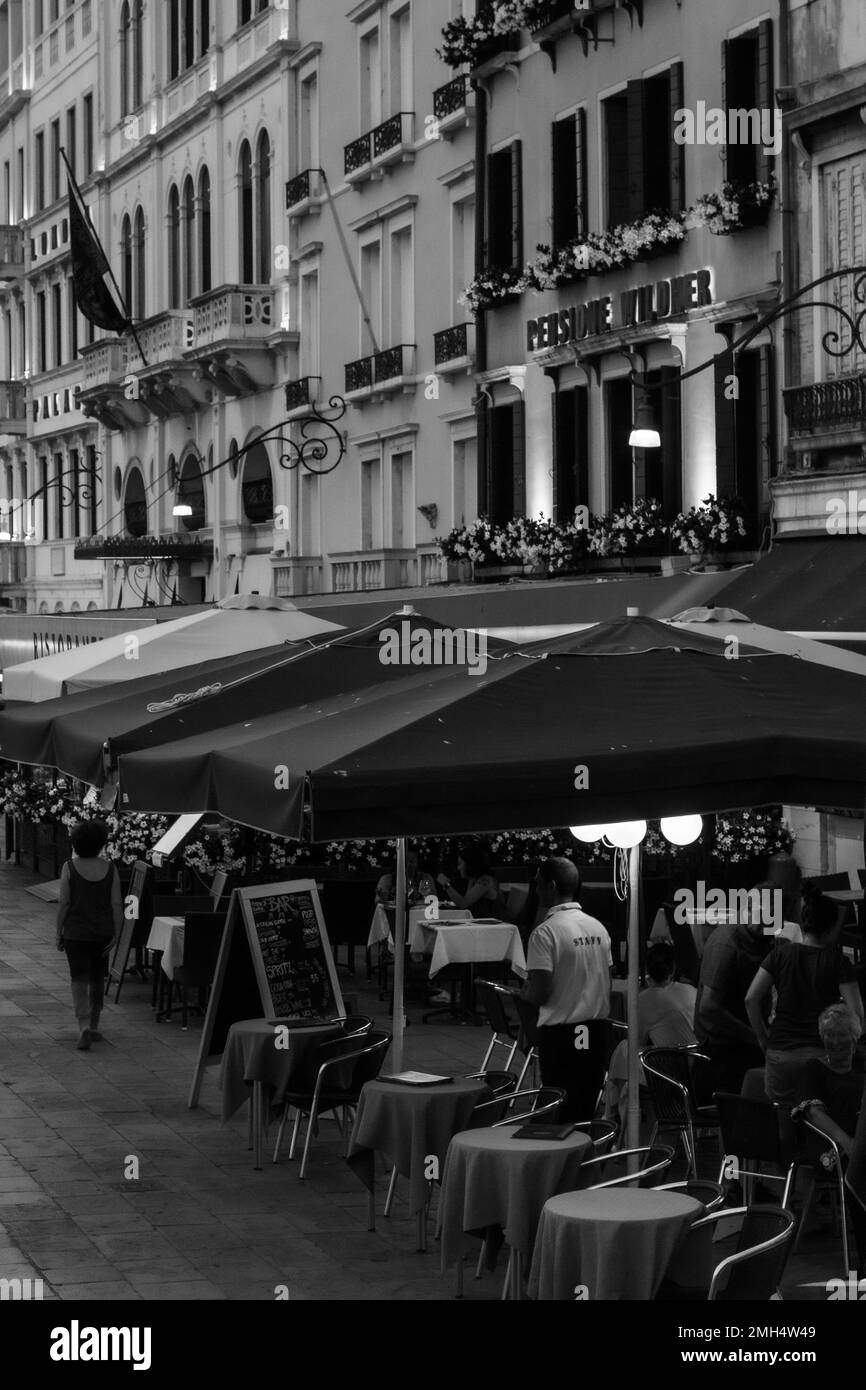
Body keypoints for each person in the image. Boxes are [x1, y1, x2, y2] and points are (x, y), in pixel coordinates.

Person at [745, 882, 863, 1105]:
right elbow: (857, 1017)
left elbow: (750, 998)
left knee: (783, 1121)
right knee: (819, 1118)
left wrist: (763, 1037)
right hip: (820, 1056)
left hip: (780, 1054)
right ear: (831, 928)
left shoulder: (779, 954)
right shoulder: (839, 962)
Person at [521, 857, 612, 1121]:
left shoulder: (545, 933)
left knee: (558, 1110)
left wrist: (523, 993)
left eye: (537, 883)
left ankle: (562, 1161)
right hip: (594, 1031)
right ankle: (583, 1159)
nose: (535, 889)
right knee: (585, 1109)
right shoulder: (598, 927)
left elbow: (540, 992)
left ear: (550, 886)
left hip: (562, 1034)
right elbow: (605, 980)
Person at [791, 1004, 866, 1273]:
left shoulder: (862, 1063)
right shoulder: (815, 1069)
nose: (838, 1048)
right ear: (824, 1040)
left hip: (861, 1143)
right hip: (830, 1147)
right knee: (861, 1173)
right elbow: (812, 1113)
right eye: (831, 1042)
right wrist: (848, 1142)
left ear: (855, 1040)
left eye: (844, 1043)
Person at [605, 941, 697, 1126]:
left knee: (624, 1050)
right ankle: (615, 1114)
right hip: (699, 1068)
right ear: (672, 969)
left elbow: (636, 1041)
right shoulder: (691, 991)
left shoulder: (644, 1000)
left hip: (671, 1073)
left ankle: (613, 1118)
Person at [694, 881, 774, 1093]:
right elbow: (708, 1007)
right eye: (763, 917)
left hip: (744, 1043)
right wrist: (756, 1035)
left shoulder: (760, 938)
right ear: (747, 908)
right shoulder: (727, 943)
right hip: (724, 1052)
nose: (768, 924)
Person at [55, 820, 123, 1051]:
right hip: (102, 932)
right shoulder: (110, 869)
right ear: (101, 844)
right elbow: (116, 904)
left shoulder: (69, 868)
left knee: (78, 978)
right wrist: (116, 932)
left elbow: (64, 902)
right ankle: (94, 1023)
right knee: (97, 978)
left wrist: (58, 931)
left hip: (75, 932)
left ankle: (82, 1023)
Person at [437, 841, 505, 918]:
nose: (458, 868)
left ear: (470, 863)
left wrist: (446, 884)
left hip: (495, 926)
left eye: (460, 863)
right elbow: (468, 905)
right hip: (482, 923)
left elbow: (464, 904)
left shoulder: (485, 880)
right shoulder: (473, 880)